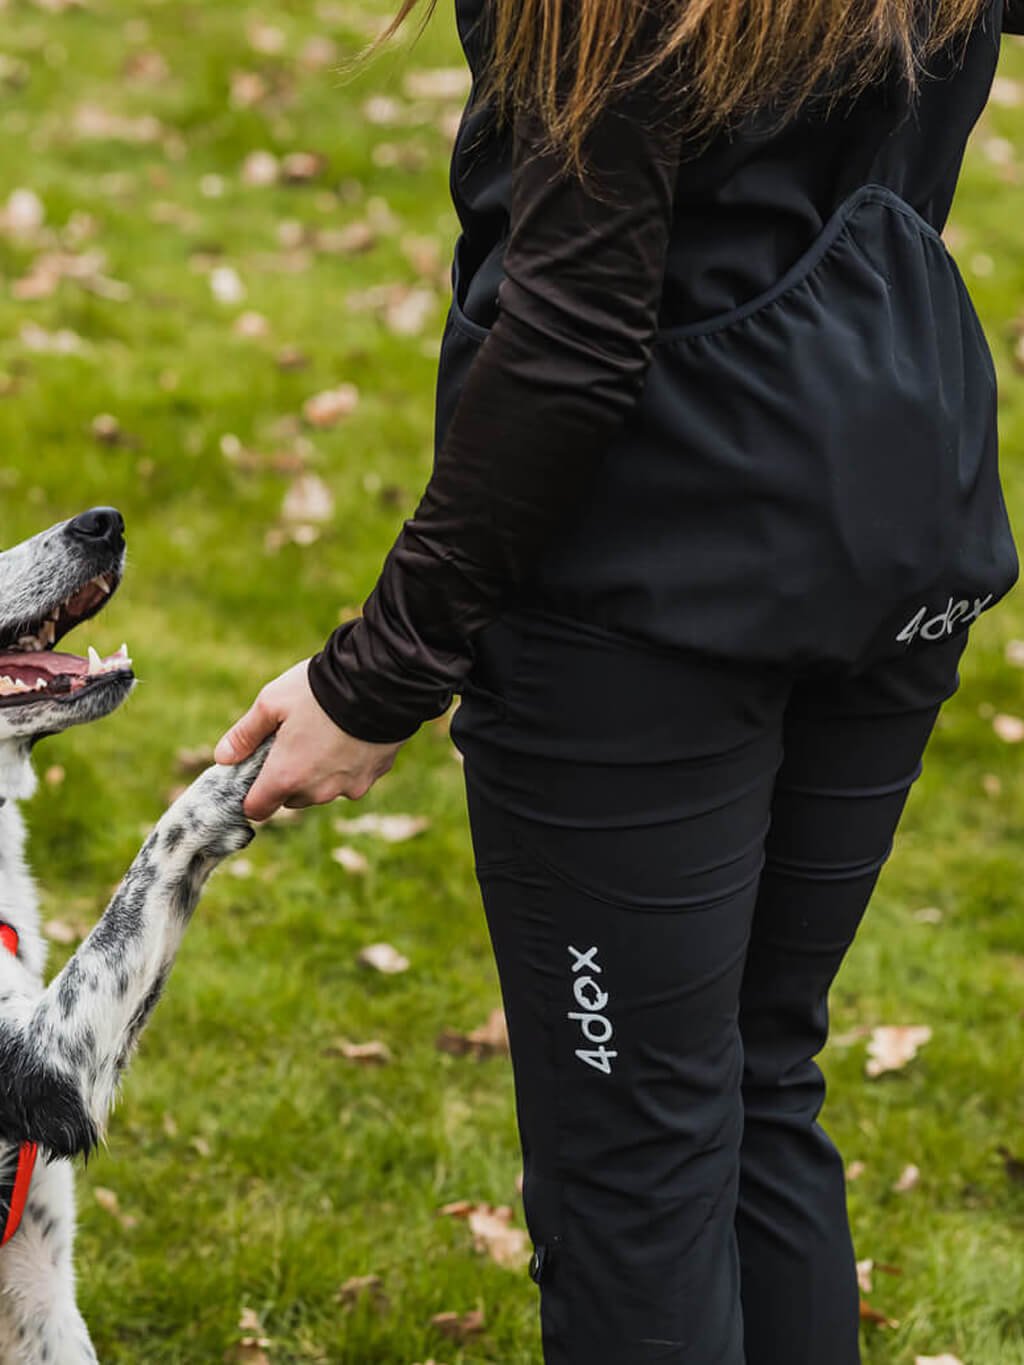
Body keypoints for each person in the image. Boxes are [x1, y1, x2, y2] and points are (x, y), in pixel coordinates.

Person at [214, 1, 1023, 1360]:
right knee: (759, 1081)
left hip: (652, 582)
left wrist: (375, 677)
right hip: (897, 500)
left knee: (642, 1160)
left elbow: (576, 330)